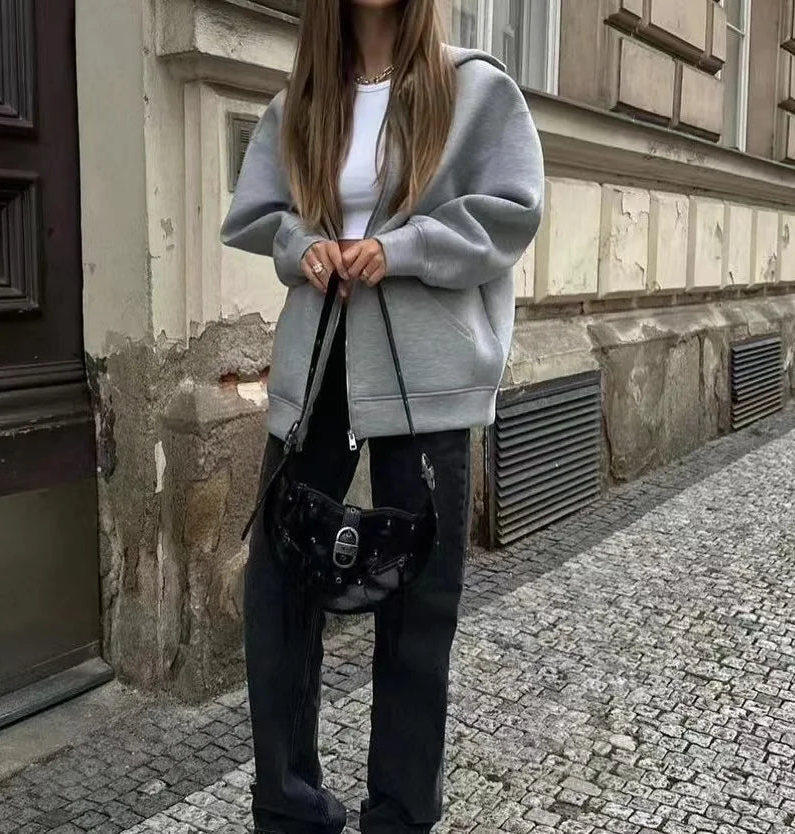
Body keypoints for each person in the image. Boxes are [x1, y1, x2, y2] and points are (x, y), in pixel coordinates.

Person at [220, 0, 544, 828]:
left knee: (419, 603)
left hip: (425, 370)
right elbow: (260, 214)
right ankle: (289, 809)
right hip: (318, 364)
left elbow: (511, 212)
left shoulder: (474, 89)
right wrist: (303, 246)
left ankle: (400, 816)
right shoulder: (302, 101)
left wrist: (399, 248)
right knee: (278, 587)